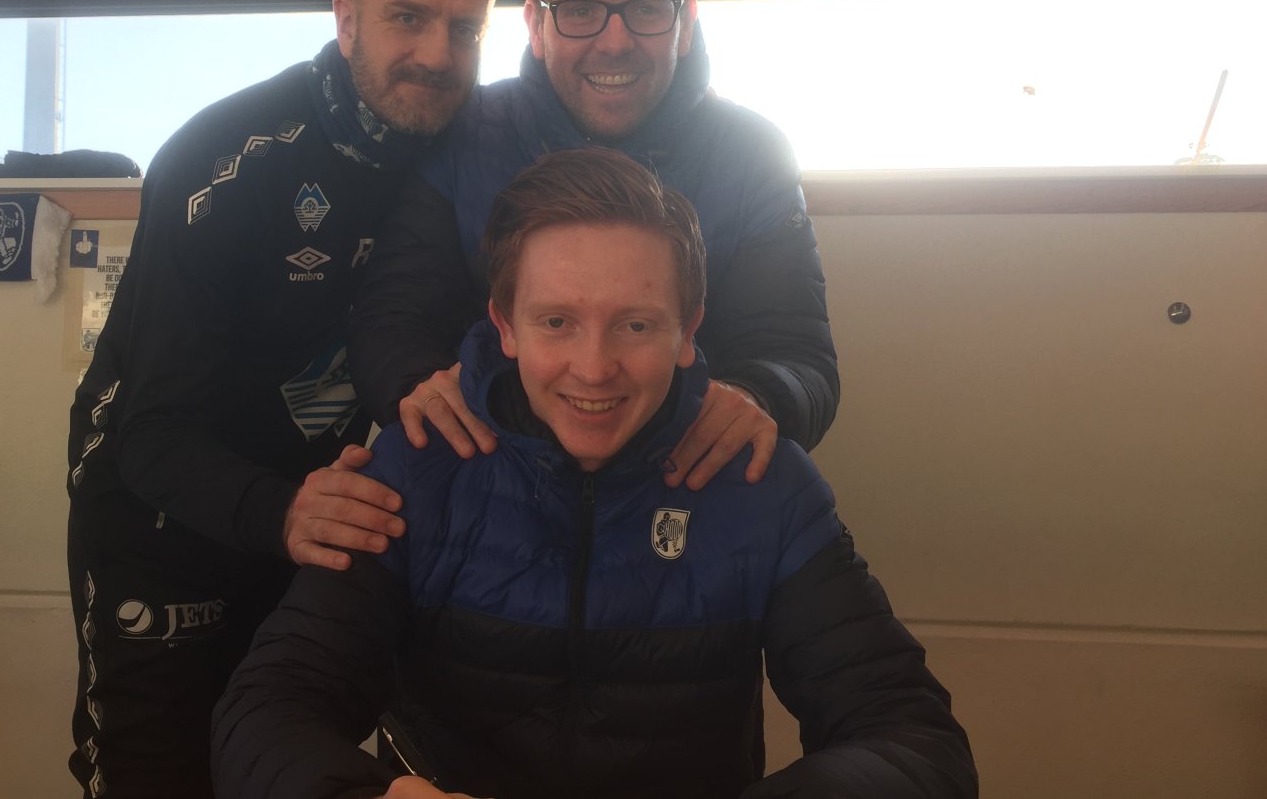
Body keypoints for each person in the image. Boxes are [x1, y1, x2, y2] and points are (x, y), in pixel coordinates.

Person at [212, 147, 977, 799]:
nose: (594, 367)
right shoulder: (415, 468)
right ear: (505, 326)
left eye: (635, 325)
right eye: (557, 322)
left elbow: (914, 739)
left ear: (687, 330)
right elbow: (266, 709)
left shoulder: (763, 484)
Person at [64, 0, 498, 798]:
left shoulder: (468, 153)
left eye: (464, 29)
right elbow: (149, 431)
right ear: (346, 20)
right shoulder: (225, 159)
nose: (436, 55)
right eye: (407, 18)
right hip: (162, 528)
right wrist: (283, 510)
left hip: (327, 521)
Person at [350, 0, 838, 491]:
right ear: (535, 25)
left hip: (685, 492)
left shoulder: (753, 152)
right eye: (579, 9)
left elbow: (798, 355)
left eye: (648, 7)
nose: (614, 41)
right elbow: (392, 318)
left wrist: (758, 396)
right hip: (484, 483)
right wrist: (415, 385)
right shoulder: (460, 133)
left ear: (686, 21)